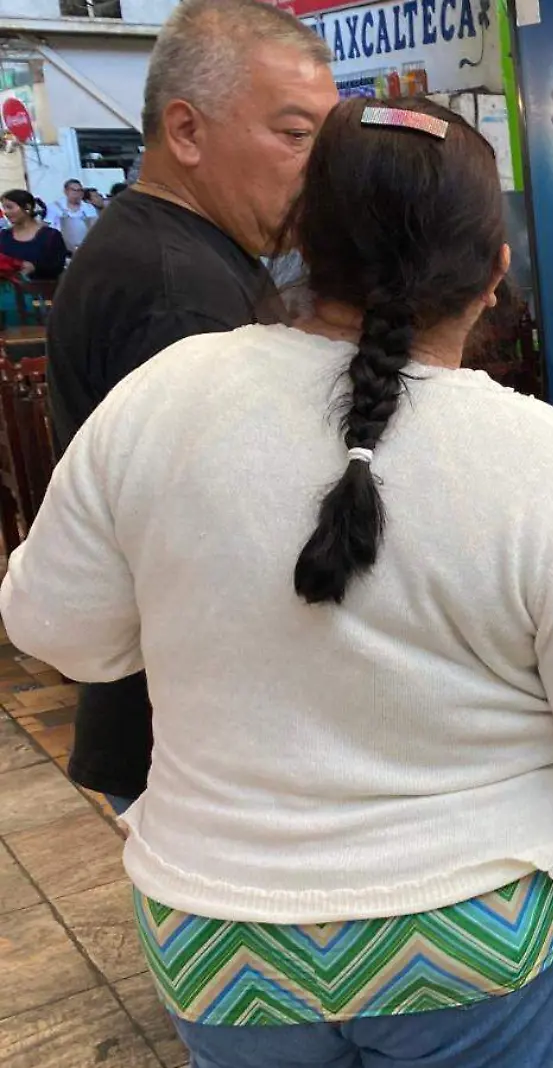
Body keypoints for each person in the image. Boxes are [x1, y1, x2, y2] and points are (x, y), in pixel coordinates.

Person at [0, 96, 553, 1066]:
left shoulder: (162, 399)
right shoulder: (543, 461)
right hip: (472, 931)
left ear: (300, 237)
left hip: (223, 937)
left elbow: (55, 628)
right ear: (496, 271)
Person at [45, 0, 338, 816]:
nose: (317, 167)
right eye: (293, 134)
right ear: (186, 131)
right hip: (189, 741)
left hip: (176, 719)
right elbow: (226, 549)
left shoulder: (180, 253)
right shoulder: (180, 296)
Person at [0, 190, 69, 281]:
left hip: (43, 291)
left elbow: (57, 266)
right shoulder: (4, 236)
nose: (6, 212)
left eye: (10, 207)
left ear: (27, 207)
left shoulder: (50, 235)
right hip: (10, 292)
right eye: (4, 208)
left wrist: (34, 267)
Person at [47, 177, 99, 249]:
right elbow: (49, 227)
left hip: (85, 245)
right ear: (66, 191)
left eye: (80, 190)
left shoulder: (89, 208)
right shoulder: (54, 207)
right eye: (74, 190)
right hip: (61, 245)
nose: (77, 193)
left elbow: (94, 227)